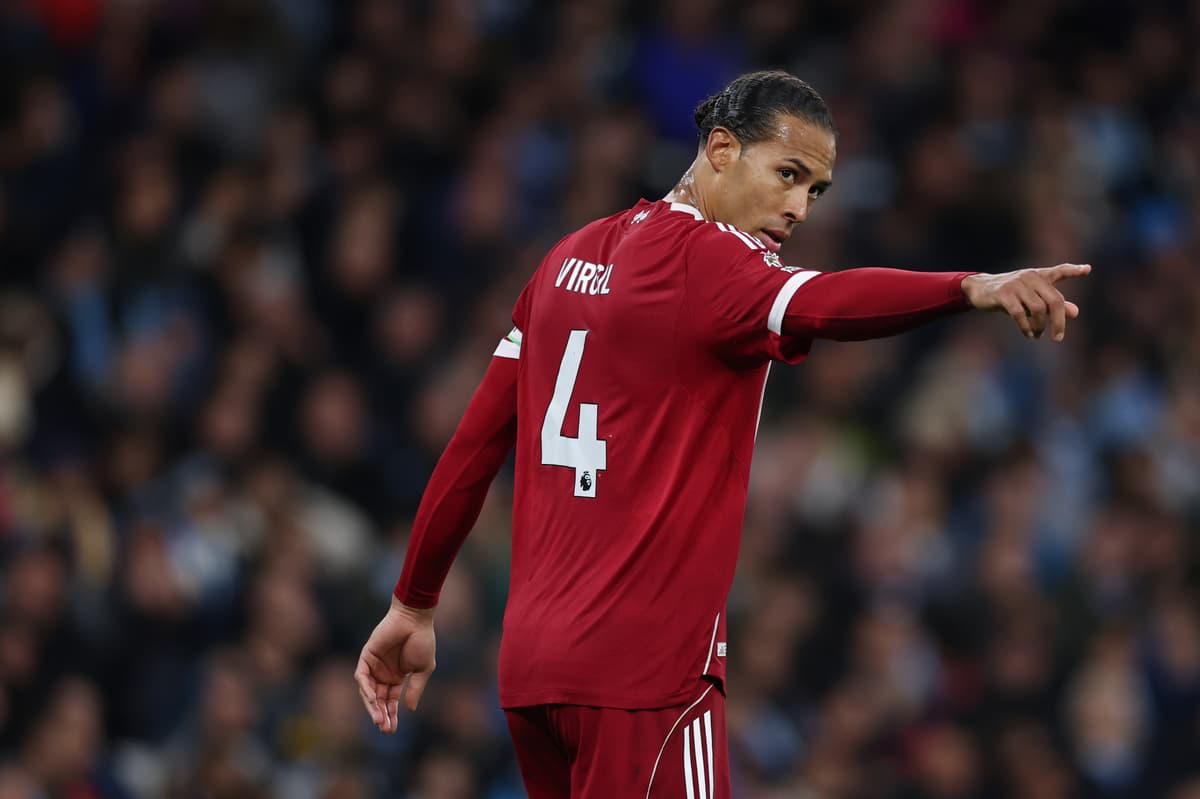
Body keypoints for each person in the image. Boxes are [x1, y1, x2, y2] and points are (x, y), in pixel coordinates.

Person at [355, 70, 1089, 798]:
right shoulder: (714, 263)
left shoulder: (563, 261)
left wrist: (413, 603)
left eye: (816, 191)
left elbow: (474, 448)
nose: (799, 207)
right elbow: (826, 302)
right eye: (788, 173)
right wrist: (970, 287)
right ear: (721, 150)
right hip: (648, 679)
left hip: (533, 673)